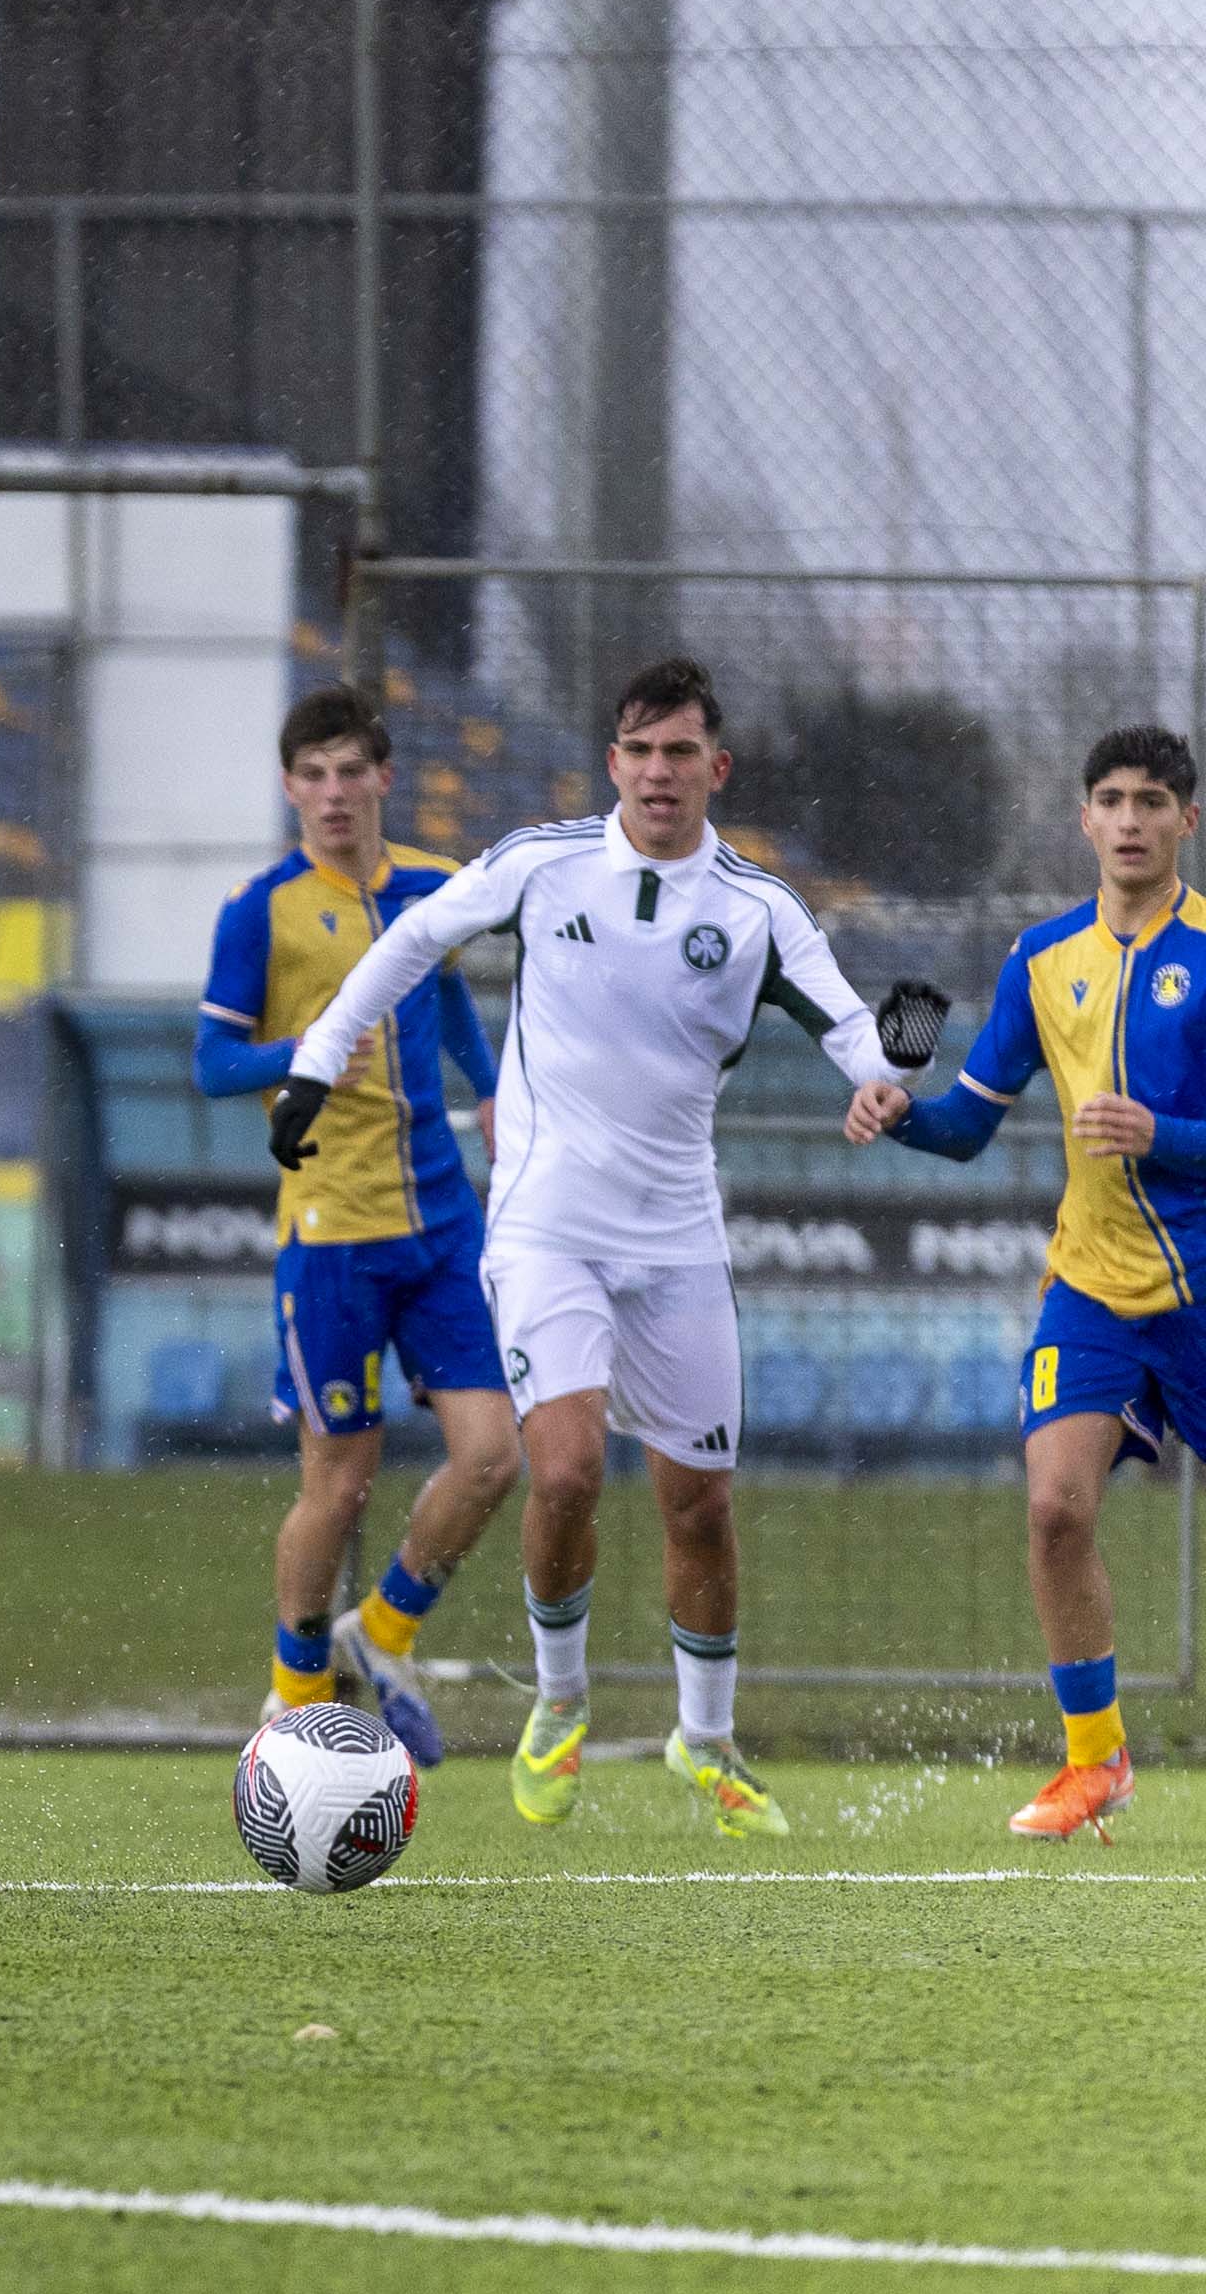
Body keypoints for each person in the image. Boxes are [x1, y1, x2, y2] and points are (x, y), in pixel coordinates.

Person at [272, 658, 933, 1836]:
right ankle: (561, 1702)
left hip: (677, 1239)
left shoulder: (758, 910)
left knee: (700, 1505)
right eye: (639, 750)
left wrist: (886, 1079)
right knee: (566, 1469)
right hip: (547, 1229)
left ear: (716, 767)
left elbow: (854, 1030)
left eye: (680, 752)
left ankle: (706, 1741)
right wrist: (317, 1064)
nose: (658, 772)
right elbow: (413, 939)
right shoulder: (545, 863)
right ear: (611, 762)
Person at [846, 724, 1206, 1842]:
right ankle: (1096, 1759)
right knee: (1055, 1509)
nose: (1132, 819)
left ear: (1188, 820)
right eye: (1114, 800)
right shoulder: (1042, 959)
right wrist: (901, 1116)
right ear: (1084, 818)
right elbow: (967, 1125)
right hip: (1090, 1286)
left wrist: (1162, 1136)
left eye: (1154, 800)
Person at [196, 684, 522, 1758]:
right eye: (313, 775)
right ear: (290, 788)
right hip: (332, 1230)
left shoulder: (435, 885)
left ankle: (381, 1633)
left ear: (384, 776)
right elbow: (211, 1061)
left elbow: (447, 994)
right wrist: (305, 1053)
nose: (333, 793)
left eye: (350, 771)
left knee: (493, 1457)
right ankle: (295, 1694)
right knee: (338, 1482)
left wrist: (490, 1087)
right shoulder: (260, 909)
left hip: (442, 1221)